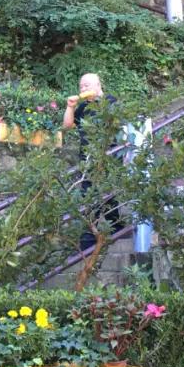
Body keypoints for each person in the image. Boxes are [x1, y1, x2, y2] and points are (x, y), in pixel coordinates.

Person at [61, 73, 121, 251]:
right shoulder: (82, 108)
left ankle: (101, 231)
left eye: (87, 85)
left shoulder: (110, 101)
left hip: (107, 156)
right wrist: (70, 107)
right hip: (87, 158)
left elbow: (117, 123)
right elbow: (67, 126)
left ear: (98, 85)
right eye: (81, 86)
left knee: (104, 192)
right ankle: (106, 230)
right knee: (90, 192)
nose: (83, 89)